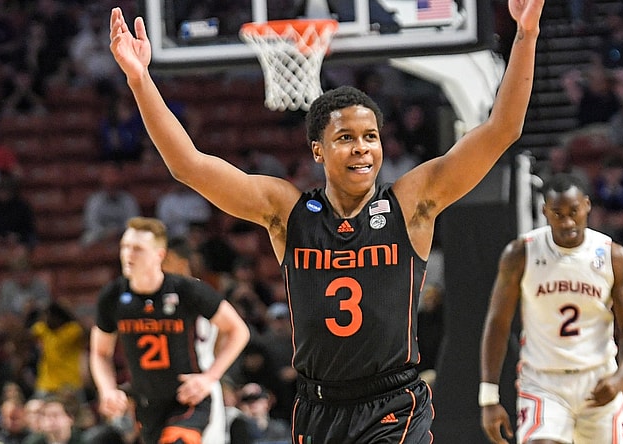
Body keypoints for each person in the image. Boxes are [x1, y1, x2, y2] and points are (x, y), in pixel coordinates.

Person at [108, 0, 543, 441]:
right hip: (319, 408)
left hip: (394, 403)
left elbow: (501, 129)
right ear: (318, 150)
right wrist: (140, 80)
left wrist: (525, 34)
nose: (362, 148)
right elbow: (189, 166)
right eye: (346, 138)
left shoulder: (412, 203)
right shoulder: (286, 211)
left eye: (371, 137)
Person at [479, 173, 623, 444]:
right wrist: (488, 397)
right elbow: (497, 323)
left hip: (598, 381)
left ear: (587, 206)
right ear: (544, 211)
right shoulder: (521, 254)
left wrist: (621, 378)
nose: (567, 221)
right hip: (544, 382)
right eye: (557, 213)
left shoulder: (612, 256)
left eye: (574, 212)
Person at [89, 217, 250, 444]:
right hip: (147, 403)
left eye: (138, 249)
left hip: (188, 397)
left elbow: (238, 331)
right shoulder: (112, 296)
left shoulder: (187, 290)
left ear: (159, 255)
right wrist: (107, 389)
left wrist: (210, 378)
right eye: (125, 247)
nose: (128, 254)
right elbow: (100, 353)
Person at [161, 235, 226, 444]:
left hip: (189, 381)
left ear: (175, 260)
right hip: (207, 379)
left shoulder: (170, 294)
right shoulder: (206, 292)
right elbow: (227, 333)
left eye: (163, 260)